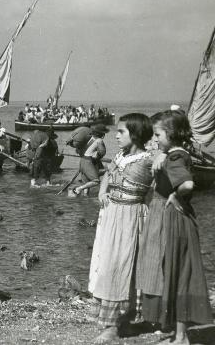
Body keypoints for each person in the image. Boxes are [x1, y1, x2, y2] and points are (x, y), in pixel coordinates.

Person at [137, 111, 211, 344]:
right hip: (177, 218)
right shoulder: (175, 153)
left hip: (175, 220)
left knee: (177, 271)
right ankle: (179, 334)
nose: (154, 139)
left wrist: (176, 196)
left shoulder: (175, 157)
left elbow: (187, 183)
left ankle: (180, 337)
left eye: (157, 134)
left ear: (170, 133)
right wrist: (163, 152)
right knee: (178, 271)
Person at [88, 113, 154, 343]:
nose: (115, 136)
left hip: (130, 217)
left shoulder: (148, 160)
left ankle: (115, 326)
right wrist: (101, 191)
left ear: (135, 135)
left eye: (121, 132)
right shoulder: (121, 155)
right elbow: (107, 174)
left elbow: (159, 187)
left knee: (123, 266)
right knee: (108, 264)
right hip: (113, 215)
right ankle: (115, 323)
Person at [72, 124, 109, 196]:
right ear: (102, 134)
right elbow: (102, 152)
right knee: (96, 181)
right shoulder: (99, 140)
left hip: (82, 161)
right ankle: (78, 189)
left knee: (87, 182)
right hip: (88, 161)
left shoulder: (90, 139)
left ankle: (86, 198)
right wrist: (97, 156)